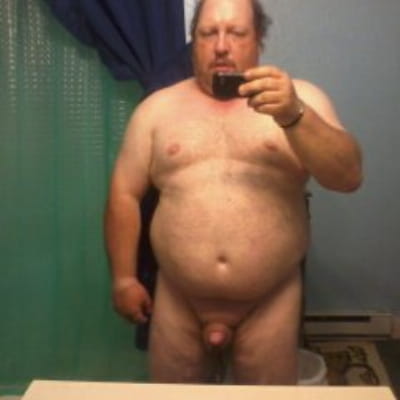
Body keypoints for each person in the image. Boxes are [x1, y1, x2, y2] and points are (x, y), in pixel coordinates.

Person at [104, 0, 362, 384]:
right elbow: (124, 193)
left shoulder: (302, 100)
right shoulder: (156, 110)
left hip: (269, 300)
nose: (221, 46)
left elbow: (348, 177)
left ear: (259, 39)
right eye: (208, 33)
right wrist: (124, 279)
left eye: (237, 33)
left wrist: (294, 116)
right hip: (178, 299)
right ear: (194, 42)